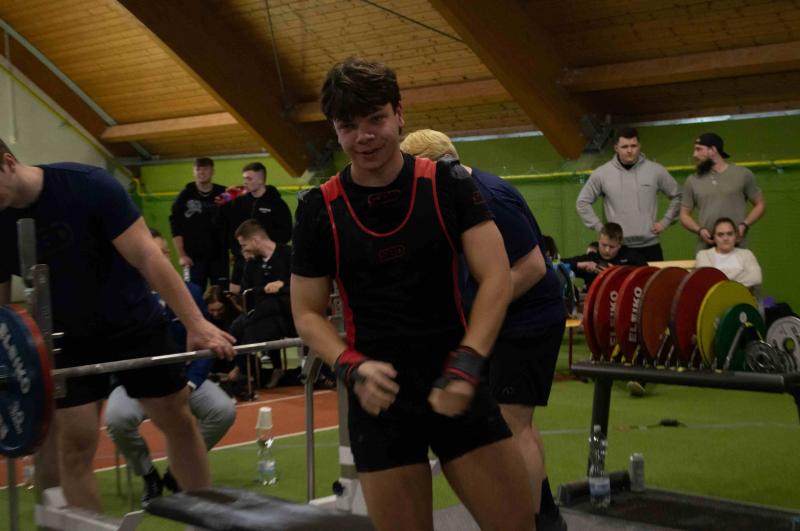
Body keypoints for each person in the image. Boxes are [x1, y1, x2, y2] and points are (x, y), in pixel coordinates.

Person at [291, 57, 534, 531]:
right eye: (349, 126)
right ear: (335, 131)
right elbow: (306, 313)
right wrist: (349, 365)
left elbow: (497, 277)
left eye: (376, 119)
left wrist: (468, 361)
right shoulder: (319, 209)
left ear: (399, 115)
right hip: (378, 398)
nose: (365, 136)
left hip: (455, 379)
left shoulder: (448, 184)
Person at [0, 140, 235, 512]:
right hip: (65, 338)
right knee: (73, 445)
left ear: (8, 163)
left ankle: (202, 516)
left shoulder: (88, 185)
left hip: (133, 323)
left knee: (177, 420)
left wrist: (196, 323)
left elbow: (147, 256)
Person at [400, 129, 567, 530]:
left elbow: (533, 267)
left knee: (513, 424)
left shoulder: (490, 197)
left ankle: (535, 521)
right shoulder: (457, 194)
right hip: (506, 319)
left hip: (529, 321)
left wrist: (480, 310)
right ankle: (544, 517)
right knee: (510, 423)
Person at [104, 229, 236, 505]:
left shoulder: (191, 293)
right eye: (154, 252)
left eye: (164, 253)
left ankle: (177, 472)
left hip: (184, 379)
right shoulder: (121, 298)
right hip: (135, 382)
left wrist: (191, 384)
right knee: (116, 420)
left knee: (223, 411)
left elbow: (205, 345)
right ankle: (148, 474)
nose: (161, 258)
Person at [576, 127, 681, 262]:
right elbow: (582, 202)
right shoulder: (602, 173)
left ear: (639, 146)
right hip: (618, 249)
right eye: (625, 146)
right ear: (616, 148)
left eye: (633, 146)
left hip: (651, 246)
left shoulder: (656, 170)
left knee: (655, 277)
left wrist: (665, 221)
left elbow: (679, 196)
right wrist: (601, 228)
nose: (630, 150)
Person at [233, 219, 294, 389]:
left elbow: (302, 285)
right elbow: (246, 291)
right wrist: (266, 289)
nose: (243, 249)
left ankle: (243, 372)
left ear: (255, 240)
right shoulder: (252, 263)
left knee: (248, 328)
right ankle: (249, 370)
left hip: (287, 314)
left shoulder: (289, 254)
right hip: (262, 314)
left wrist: (282, 285)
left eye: (244, 245)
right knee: (236, 329)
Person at [679, 132, 766, 250]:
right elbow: (684, 214)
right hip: (706, 248)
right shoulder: (692, 180)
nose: (694, 154)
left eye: (699, 149)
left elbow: (760, 204)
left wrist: (745, 224)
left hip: (738, 247)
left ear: (713, 150)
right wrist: (699, 230)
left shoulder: (743, 174)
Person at [222, 162, 293, 292]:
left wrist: (263, 247)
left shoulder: (277, 204)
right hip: (242, 256)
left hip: (267, 259)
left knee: (264, 291)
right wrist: (238, 250)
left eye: (249, 179)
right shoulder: (239, 202)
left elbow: (286, 233)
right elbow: (230, 229)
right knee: (234, 293)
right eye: (244, 178)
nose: (245, 182)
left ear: (261, 180)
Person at [169, 157, 228, 288]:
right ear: (193, 172)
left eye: (205, 169)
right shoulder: (185, 196)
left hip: (219, 257)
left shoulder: (223, 193)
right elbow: (175, 226)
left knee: (222, 294)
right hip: (193, 259)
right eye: (198, 169)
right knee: (194, 294)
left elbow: (233, 221)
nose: (201, 172)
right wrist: (182, 255)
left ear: (213, 171)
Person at [562, 222, 647, 289]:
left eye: (612, 247)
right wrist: (579, 264)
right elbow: (557, 265)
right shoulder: (590, 258)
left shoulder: (631, 256)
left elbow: (647, 276)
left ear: (620, 245)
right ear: (598, 240)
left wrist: (618, 273)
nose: (607, 250)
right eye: (604, 245)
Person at [695, 217, 762, 289]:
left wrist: (721, 279)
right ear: (714, 237)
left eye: (729, 234)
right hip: (716, 295)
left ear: (736, 236)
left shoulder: (747, 254)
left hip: (742, 295)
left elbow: (756, 278)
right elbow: (708, 280)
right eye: (720, 234)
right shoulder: (704, 255)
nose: (725, 238)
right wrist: (739, 273)